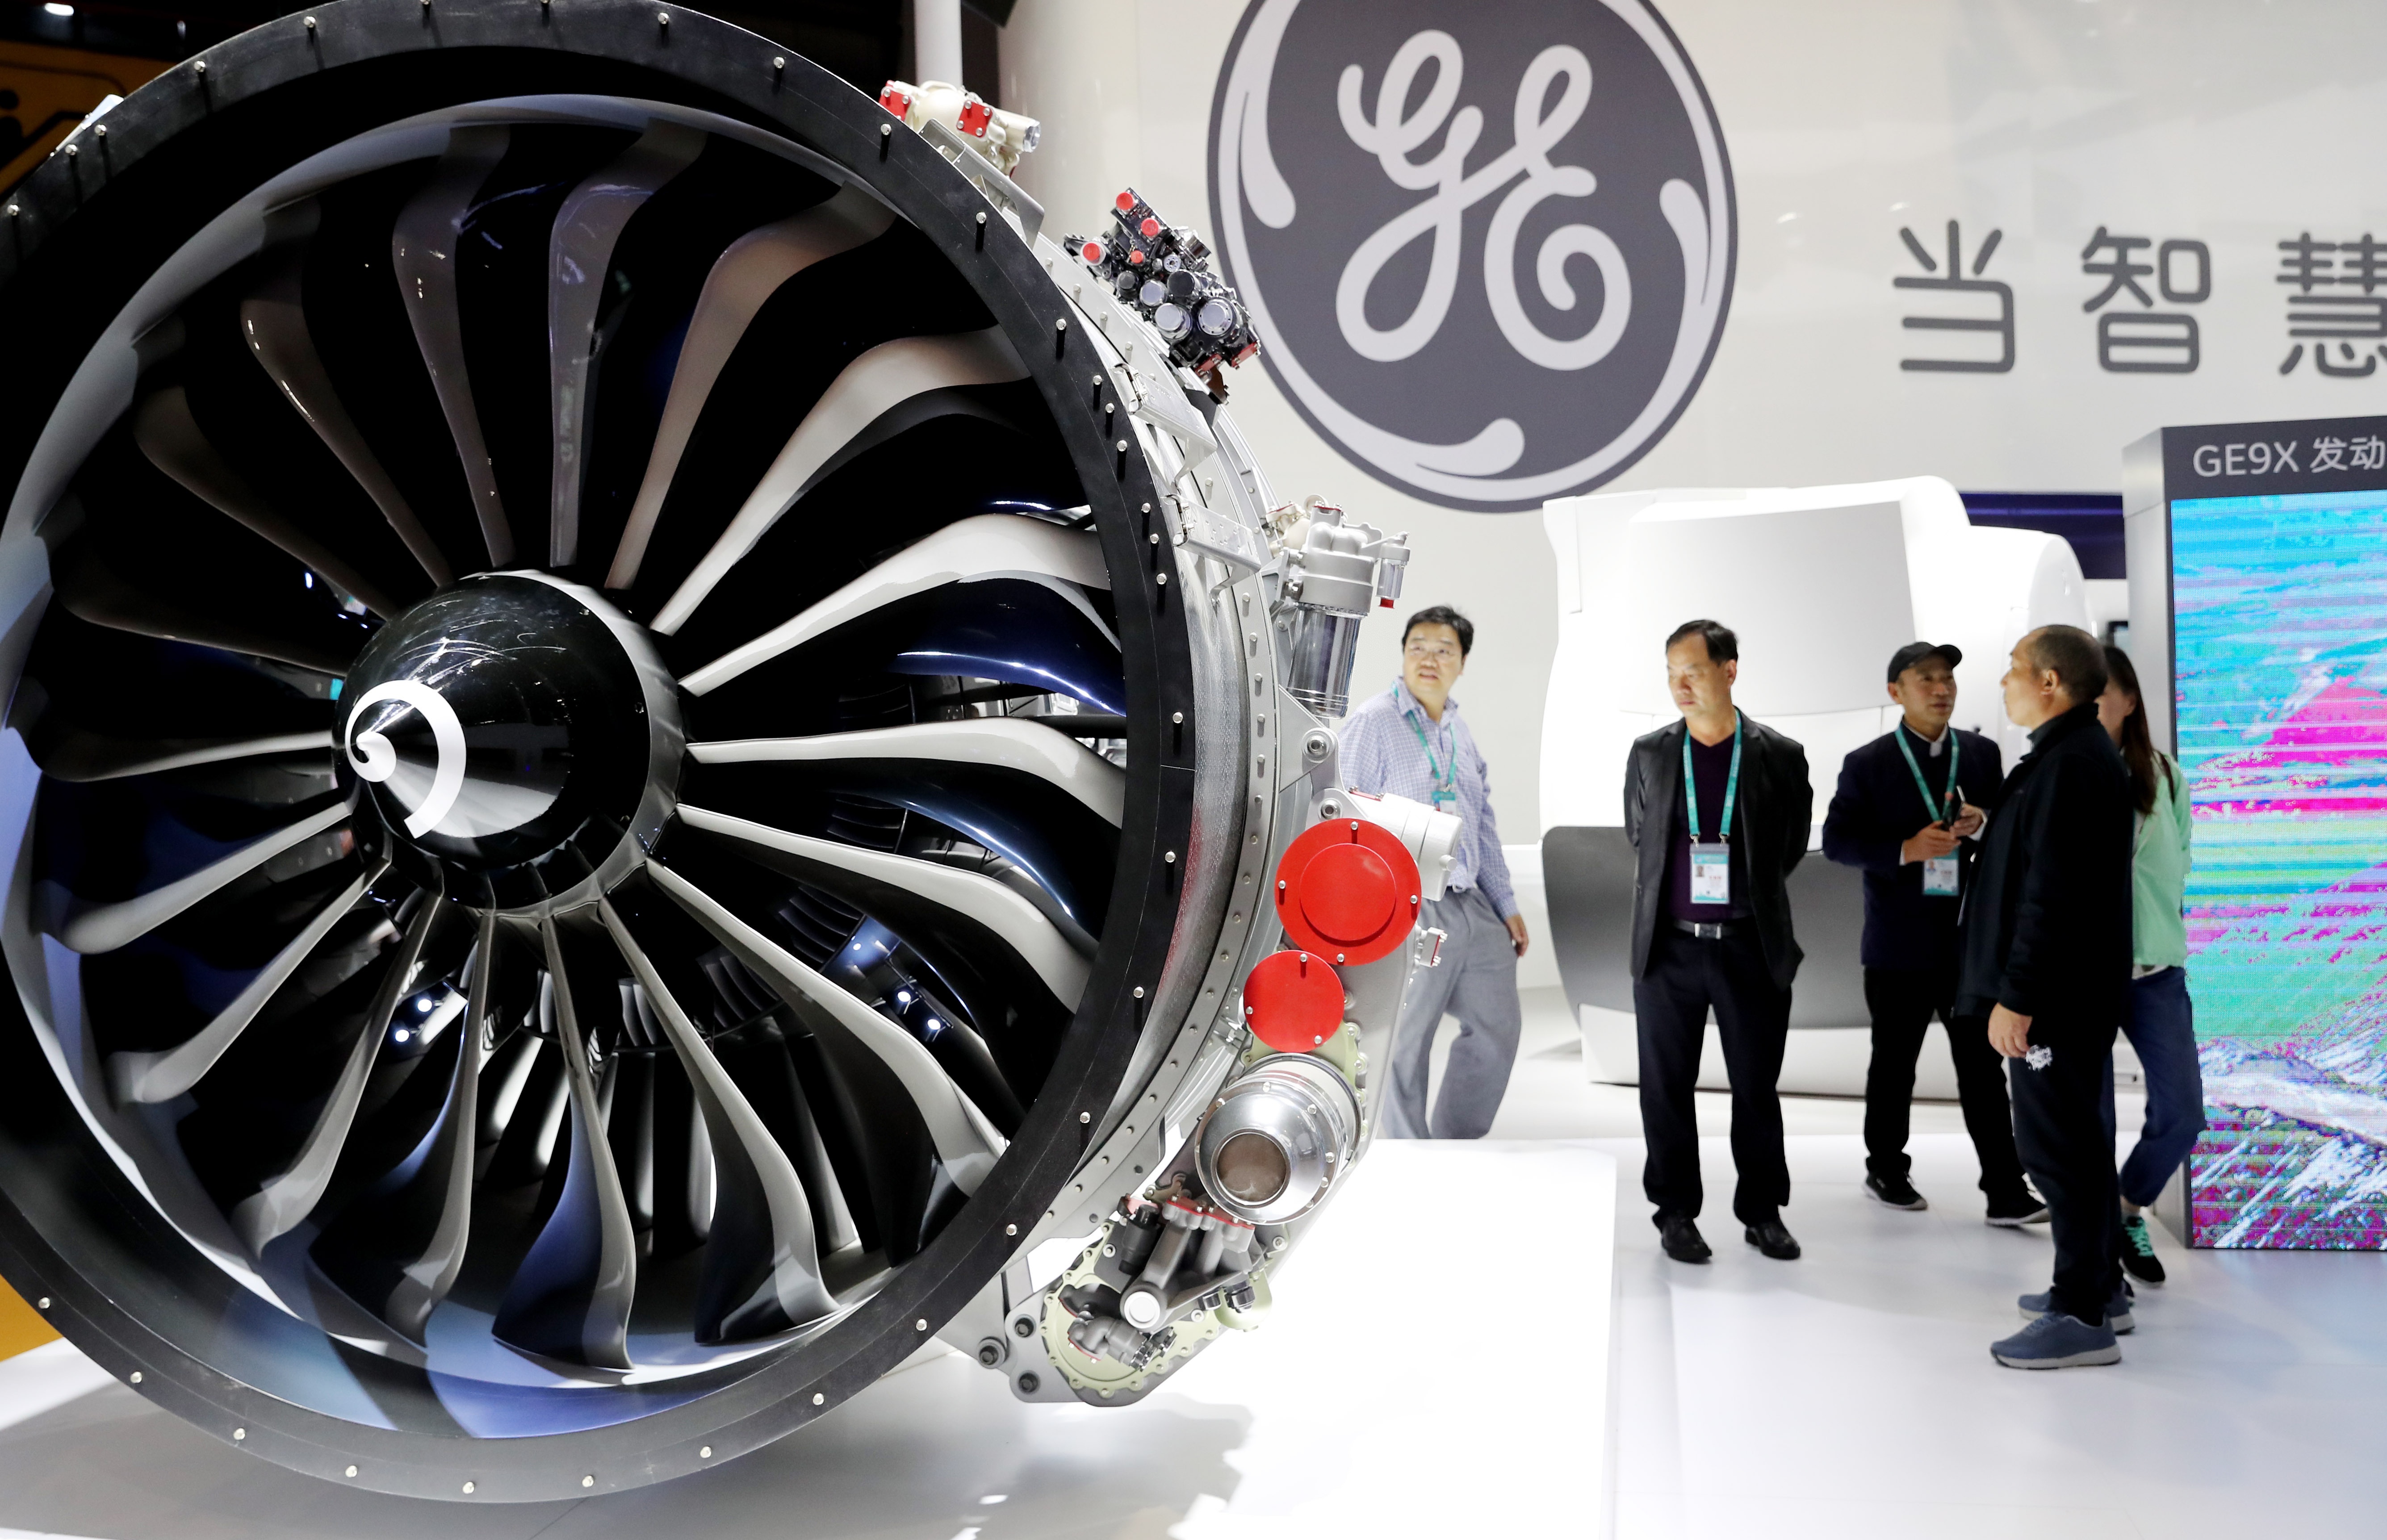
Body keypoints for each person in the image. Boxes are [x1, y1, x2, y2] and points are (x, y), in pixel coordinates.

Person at [1959, 625, 2134, 1370]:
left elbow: (2052, 898)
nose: (2004, 683)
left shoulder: (2070, 764)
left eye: (2013, 670)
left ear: (2050, 682)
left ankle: (2080, 1311)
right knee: (2076, 1144)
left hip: (2054, 1001)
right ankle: (2101, 1286)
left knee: (2056, 1151)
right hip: (2069, 995)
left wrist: (2017, 997)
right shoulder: (2067, 756)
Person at [1823, 642, 2045, 1224]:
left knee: (1982, 1068)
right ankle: (1886, 1170)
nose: (1941, 688)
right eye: (1926, 679)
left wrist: (1983, 822)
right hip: (1896, 946)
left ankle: (2005, 1190)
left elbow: (2010, 834)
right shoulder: (1867, 763)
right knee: (1894, 1066)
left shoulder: (1981, 754)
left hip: (1969, 945)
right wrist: (1905, 849)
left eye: (1947, 678)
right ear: (1895, 691)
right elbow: (1837, 843)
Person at [1625, 619, 1811, 1264]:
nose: (1680, 684)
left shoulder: (1779, 755)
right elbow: (1640, 837)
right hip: (1668, 949)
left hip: (1749, 947)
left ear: (1729, 671)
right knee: (1665, 1089)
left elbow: (1788, 848)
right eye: (1671, 672)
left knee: (1756, 1088)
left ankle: (1763, 1212)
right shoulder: (1651, 753)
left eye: (1694, 670)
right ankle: (1675, 1212)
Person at [1338, 606, 1529, 1139]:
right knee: (1404, 1038)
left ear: (1462, 663)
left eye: (1444, 650)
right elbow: (1344, 815)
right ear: (1402, 655)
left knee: (1497, 1029)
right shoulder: (1373, 722)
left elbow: (1482, 825)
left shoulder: (1458, 732)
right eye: (1417, 647)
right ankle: (1406, 1148)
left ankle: (1456, 1142)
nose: (1429, 658)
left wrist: (1506, 904)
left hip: (1471, 903)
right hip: (1409, 903)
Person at [2095, 644, 2204, 1286]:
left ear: (2130, 700)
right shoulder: (2066, 772)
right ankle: (2094, 1245)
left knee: (2183, 1111)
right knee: (2093, 1119)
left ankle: (2127, 1205)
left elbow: (2179, 857)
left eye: (2101, 691)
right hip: (2086, 973)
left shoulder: (2166, 775)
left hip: (2156, 969)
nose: (2090, 703)